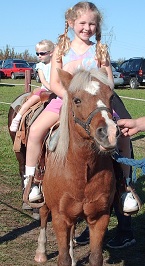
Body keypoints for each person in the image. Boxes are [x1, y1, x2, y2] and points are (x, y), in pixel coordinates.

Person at [22, 1, 138, 246]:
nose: (87, 28)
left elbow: (109, 80)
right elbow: (54, 82)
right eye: (82, 23)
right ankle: (32, 181)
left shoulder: (101, 51)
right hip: (67, 101)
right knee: (36, 131)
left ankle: (126, 187)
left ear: (97, 27)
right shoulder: (61, 51)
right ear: (71, 23)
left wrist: (94, 96)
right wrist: (73, 98)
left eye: (92, 24)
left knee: (124, 133)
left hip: (100, 102)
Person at [10, 39, 55, 132]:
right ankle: (17, 118)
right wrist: (52, 88)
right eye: (37, 54)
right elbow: (43, 80)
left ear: (51, 53)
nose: (39, 56)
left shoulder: (57, 64)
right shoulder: (40, 66)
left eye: (42, 53)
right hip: (45, 89)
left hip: (57, 89)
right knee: (30, 101)